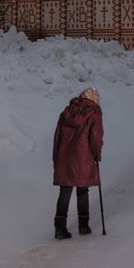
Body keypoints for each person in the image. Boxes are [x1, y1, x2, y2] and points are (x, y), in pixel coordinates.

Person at [52, 87, 104, 239]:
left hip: (64, 157)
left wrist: (56, 157)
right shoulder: (94, 112)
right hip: (84, 157)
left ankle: (59, 228)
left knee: (65, 191)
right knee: (82, 191)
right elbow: (96, 138)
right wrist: (97, 154)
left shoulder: (66, 112)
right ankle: (83, 226)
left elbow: (57, 137)